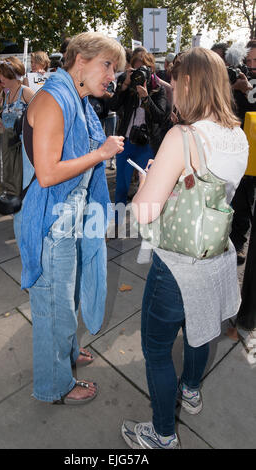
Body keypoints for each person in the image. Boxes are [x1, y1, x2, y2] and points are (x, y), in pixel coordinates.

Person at [121, 48, 249, 449]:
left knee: (157, 350)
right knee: (200, 332)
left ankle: (162, 435)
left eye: (175, 79)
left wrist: (145, 186)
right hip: (217, 254)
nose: (170, 86)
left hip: (176, 263)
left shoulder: (183, 136)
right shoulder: (238, 133)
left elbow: (143, 213)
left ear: (190, 83)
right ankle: (190, 391)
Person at [17, 32, 125, 404]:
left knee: (67, 298)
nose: (113, 75)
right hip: (52, 223)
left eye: (116, 68)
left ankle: (66, 352)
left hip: (70, 216)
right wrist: (101, 154)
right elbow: (48, 174)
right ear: (80, 59)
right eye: (107, 65)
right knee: (52, 307)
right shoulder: (53, 100)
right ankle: (54, 386)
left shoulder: (74, 97)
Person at [109, 48, 170, 220]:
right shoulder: (126, 83)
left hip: (147, 145)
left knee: (146, 188)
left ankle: (145, 222)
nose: (140, 74)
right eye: (137, 70)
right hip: (126, 142)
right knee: (121, 186)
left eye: (143, 69)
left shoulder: (157, 89)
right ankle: (117, 222)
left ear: (151, 70)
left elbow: (160, 117)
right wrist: (126, 84)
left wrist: (146, 98)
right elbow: (112, 106)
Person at [229, 40, 256, 264]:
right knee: (240, 201)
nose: (251, 65)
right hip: (240, 151)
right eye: (248, 61)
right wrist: (235, 89)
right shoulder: (236, 80)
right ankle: (237, 243)